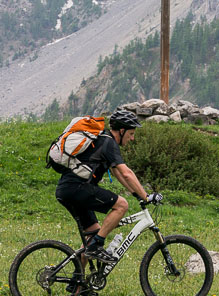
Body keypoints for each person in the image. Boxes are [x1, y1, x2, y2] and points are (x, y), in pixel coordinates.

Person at [55, 108, 156, 264]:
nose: (132, 138)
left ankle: (78, 285)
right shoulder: (108, 142)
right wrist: (146, 196)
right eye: (131, 134)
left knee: (92, 235)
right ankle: (97, 245)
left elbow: (118, 173)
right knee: (122, 205)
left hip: (67, 189)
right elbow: (127, 173)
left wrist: (136, 194)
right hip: (76, 188)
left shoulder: (102, 140)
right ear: (122, 131)